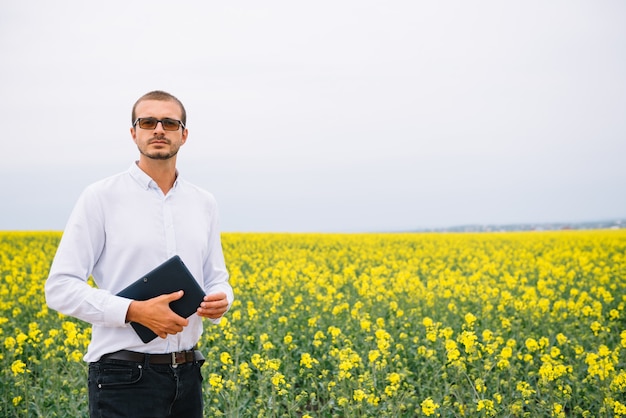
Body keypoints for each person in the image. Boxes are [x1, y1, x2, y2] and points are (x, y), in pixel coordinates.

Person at [45, 90, 234, 417]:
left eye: (170, 123)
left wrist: (221, 299)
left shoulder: (204, 202)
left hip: (188, 373)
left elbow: (216, 277)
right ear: (134, 133)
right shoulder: (101, 197)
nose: (158, 129)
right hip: (123, 376)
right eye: (148, 122)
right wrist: (133, 310)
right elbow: (59, 287)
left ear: (184, 135)